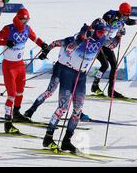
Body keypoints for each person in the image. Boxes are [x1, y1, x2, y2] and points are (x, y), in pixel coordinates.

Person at [40, 19, 119, 153]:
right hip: (68, 73)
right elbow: (69, 48)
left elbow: (111, 45)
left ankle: (66, 141)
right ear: (93, 30)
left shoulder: (102, 38)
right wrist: (82, 39)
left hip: (81, 76)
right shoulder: (81, 36)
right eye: (100, 31)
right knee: (62, 108)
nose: (102, 34)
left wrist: (118, 36)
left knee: (77, 111)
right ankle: (48, 138)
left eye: (104, 32)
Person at [0, 8, 48, 133]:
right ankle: (7, 123)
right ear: (17, 19)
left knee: (20, 92)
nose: (25, 23)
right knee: (11, 95)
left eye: (27, 20)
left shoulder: (27, 29)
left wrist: (43, 44)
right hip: (9, 67)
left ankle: (16, 113)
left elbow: (35, 38)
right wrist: (6, 42)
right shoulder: (8, 29)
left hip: (20, 66)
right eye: (23, 20)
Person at [91, 3, 137, 98]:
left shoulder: (124, 18)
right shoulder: (110, 13)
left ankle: (111, 91)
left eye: (128, 14)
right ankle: (95, 86)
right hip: (97, 42)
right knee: (105, 65)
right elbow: (106, 20)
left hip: (106, 44)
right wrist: (112, 21)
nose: (127, 16)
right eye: (126, 14)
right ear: (121, 12)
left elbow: (129, 22)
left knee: (114, 65)